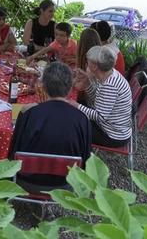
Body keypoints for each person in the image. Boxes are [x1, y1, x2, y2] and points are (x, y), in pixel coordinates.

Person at [8, 62, 91, 191]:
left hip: (27, 181)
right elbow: (86, 160)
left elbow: (13, 152)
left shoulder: (29, 113)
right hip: (67, 183)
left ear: (44, 87)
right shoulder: (82, 119)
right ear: (70, 88)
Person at [68, 46, 132, 147]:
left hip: (112, 135)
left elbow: (100, 117)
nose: (86, 64)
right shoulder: (107, 74)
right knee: (74, 115)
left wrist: (75, 105)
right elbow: (98, 100)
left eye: (88, 61)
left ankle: (80, 159)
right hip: (110, 127)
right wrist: (87, 84)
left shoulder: (110, 85)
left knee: (73, 127)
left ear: (94, 66)